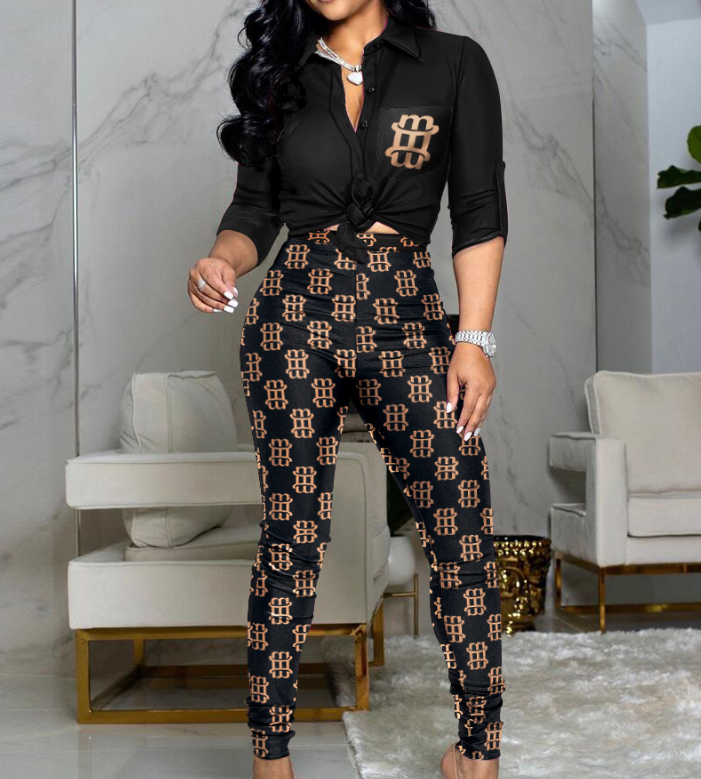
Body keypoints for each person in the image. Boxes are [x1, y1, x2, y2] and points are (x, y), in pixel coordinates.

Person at [188, 1, 508, 777]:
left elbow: (477, 207)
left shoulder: (453, 63)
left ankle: (477, 752)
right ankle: (271, 758)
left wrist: (473, 339)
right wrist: (223, 258)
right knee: (293, 536)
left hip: (407, 315)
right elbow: (253, 209)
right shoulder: (279, 74)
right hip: (292, 319)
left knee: (460, 527)